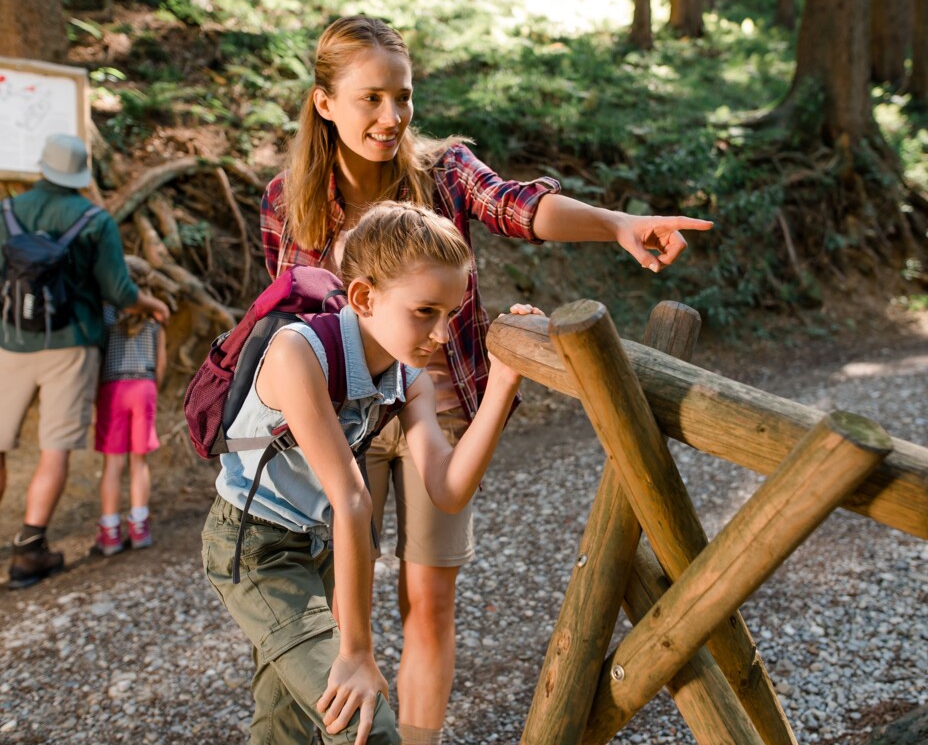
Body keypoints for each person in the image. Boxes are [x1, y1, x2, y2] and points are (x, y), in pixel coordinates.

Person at [259, 15, 714, 743]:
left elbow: (519, 206)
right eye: (371, 98)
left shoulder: (443, 170)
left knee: (429, 602)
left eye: (402, 97)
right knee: (342, 607)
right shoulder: (290, 200)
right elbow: (292, 318)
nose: (391, 116)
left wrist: (617, 223)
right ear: (323, 102)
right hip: (350, 418)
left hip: (443, 412)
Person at [202, 202, 538, 745]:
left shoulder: (410, 378)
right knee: (364, 724)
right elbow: (352, 501)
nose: (441, 333)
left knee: (286, 721)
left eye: (450, 313)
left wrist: (501, 386)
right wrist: (358, 654)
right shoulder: (298, 352)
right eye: (425, 311)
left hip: (322, 546)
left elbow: (448, 490)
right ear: (363, 297)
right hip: (257, 548)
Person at [0, 133, 169, 590]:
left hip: (9, 342)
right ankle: (29, 551)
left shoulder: (8, 212)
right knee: (55, 448)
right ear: (79, 175)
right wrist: (151, 303)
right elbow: (119, 292)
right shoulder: (95, 220)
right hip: (72, 346)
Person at [92, 273, 168, 557]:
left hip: (113, 387)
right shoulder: (155, 318)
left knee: (113, 463)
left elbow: (97, 357)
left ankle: (110, 532)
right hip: (144, 386)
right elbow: (161, 363)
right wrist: (152, 388)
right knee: (140, 461)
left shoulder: (107, 315)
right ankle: (139, 527)